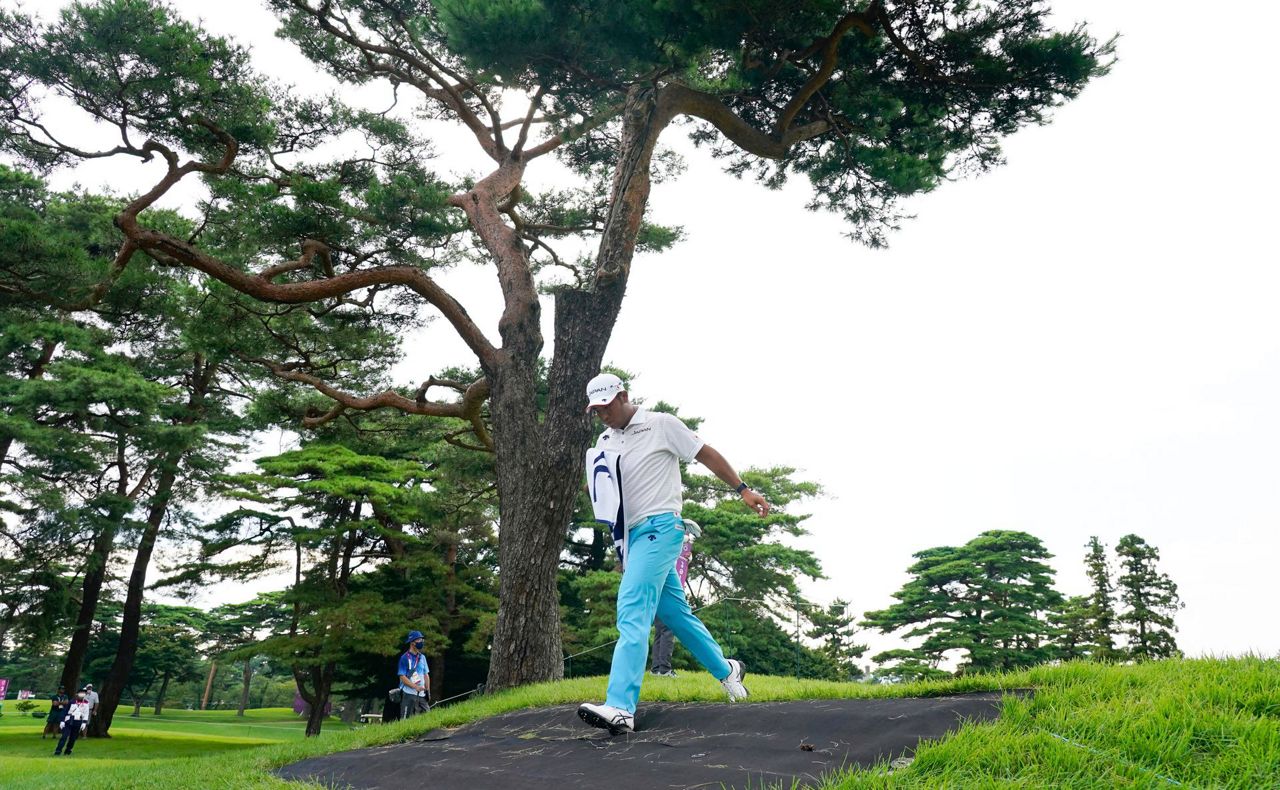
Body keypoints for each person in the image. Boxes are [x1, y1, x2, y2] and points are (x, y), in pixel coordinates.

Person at [578, 373, 770, 734]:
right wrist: (621, 547)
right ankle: (728, 671)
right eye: (596, 410)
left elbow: (706, 454)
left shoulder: (661, 424)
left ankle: (620, 706)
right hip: (633, 538)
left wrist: (743, 489)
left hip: (663, 528)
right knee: (676, 615)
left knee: (632, 610)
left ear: (623, 396)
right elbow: (608, 497)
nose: (602, 415)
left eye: (606, 406)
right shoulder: (604, 440)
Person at [651, 519, 701, 677]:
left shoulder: (672, 552)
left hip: (659, 592)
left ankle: (656, 669)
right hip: (668, 593)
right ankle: (664, 669)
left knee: (660, 631)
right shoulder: (674, 550)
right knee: (667, 630)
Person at [397, 630, 430, 719]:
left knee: (428, 718)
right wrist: (416, 687)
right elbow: (402, 677)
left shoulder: (422, 657)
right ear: (412, 643)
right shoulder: (404, 658)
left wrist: (427, 690)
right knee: (406, 720)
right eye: (419, 640)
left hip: (422, 695)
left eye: (422, 640)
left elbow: (426, 675)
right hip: (409, 694)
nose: (421, 642)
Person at [53, 690, 90, 756]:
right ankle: (58, 751)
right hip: (69, 721)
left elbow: (86, 713)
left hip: (78, 721)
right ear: (77, 694)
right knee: (64, 736)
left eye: (83, 693)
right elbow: (65, 711)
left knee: (73, 738)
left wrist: (84, 722)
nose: (82, 695)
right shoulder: (71, 702)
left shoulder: (86, 703)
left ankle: (68, 751)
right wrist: (62, 721)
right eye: (81, 693)